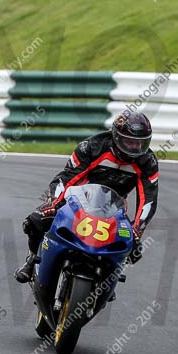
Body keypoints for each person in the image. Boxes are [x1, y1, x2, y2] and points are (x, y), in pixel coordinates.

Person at [14, 111, 159, 284]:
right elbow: (66, 177)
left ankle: (107, 281)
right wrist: (54, 203)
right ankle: (32, 258)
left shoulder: (147, 161)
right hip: (75, 199)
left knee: (132, 247)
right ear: (116, 137)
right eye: (130, 142)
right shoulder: (92, 146)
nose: (135, 148)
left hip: (113, 208)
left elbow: (148, 199)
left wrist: (138, 229)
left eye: (141, 143)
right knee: (35, 221)